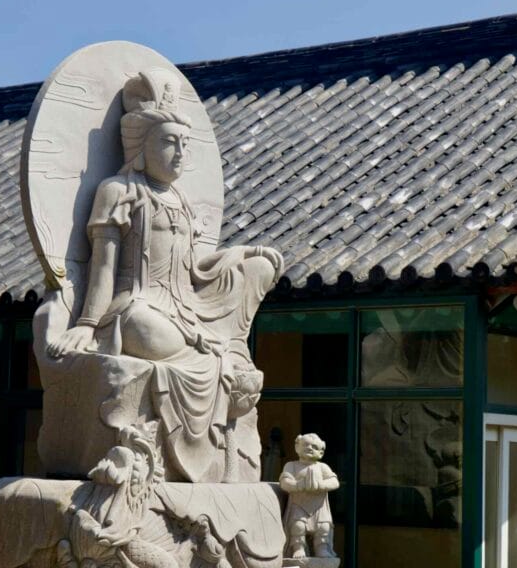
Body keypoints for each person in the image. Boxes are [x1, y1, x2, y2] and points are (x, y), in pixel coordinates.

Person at [46, 68, 282, 483]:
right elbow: (102, 267)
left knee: (257, 267)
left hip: (184, 307)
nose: (179, 153)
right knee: (160, 337)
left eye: (185, 145)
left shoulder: (180, 199)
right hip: (135, 307)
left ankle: (216, 359)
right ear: (140, 145)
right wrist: (86, 324)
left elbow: (192, 270)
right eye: (169, 142)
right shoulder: (118, 191)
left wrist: (241, 259)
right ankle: (216, 367)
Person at [279, 434, 339, 559]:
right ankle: (298, 548)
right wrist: (298, 486)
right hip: (298, 505)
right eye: (306, 445)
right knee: (297, 526)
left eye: (315, 447)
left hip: (319, 507)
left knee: (323, 528)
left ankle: (322, 548)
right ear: (297, 447)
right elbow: (284, 482)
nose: (310, 448)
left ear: (321, 452)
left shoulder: (322, 467)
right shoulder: (291, 466)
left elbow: (335, 482)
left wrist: (321, 485)